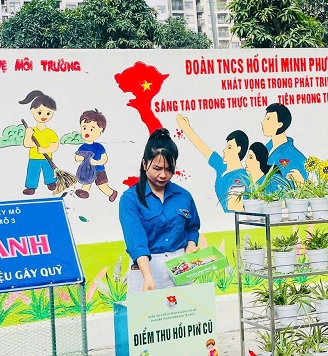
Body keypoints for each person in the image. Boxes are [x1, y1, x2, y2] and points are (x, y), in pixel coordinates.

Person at [119, 128, 201, 292]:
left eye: (169, 169)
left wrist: (191, 246)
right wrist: (147, 276)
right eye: (157, 168)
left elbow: (192, 228)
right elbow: (136, 241)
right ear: (144, 164)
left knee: (184, 309)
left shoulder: (184, 196)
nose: (163, 175)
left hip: (180, 266)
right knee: (146, 310)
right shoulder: (130, 199)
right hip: (146, 269)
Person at [175, 114, 248, 212]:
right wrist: (186, 128)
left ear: (238, 149)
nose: (224, 150)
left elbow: (235, 207)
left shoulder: (240, 177)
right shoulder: (222, 167)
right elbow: (203, 147)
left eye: (229, 147)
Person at [20, 90, 60, 195]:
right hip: (34, 157)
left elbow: (55, 146)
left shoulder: (50, 132)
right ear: (33, 111)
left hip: (47, 157)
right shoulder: (31, 131)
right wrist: (28, 135)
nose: (44, 116)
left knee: (49, 171)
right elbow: (26, 144)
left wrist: (46, 149)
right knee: (33, 172)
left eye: (48, 113)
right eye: (39, 112)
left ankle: (51, 182)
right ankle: (31, 187)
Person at [74, 109, 118, 202]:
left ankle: (111, 193)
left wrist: (96, 162)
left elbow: (104, 159)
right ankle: (84, 192)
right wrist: (80, 157)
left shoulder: (99, 147)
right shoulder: (83, 147)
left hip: (99, 170)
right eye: (84, 128)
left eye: (91, 129)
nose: (87, 132)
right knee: (86, 182)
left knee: (102, 185)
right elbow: (77, 157)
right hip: (87, 170)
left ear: (100, 130)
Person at [261, 103, 306, 184]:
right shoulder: (264, 149)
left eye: (268, 119)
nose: (262, 122)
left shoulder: (297, 157)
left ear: (280, 124)